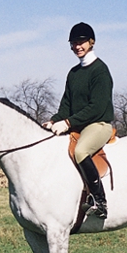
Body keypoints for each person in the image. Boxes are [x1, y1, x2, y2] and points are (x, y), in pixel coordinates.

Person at [42, 22, 114, 218]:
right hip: (77, 124)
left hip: (98, 124)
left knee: (81, 151)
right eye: (73, 43)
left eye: (81, 42)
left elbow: (97, 107)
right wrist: (54, 120)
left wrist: (67, 123)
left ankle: (100, 202)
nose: (77, 46)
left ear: (91, 42)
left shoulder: (100, 70)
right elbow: (66, 104)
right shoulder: (73, 73)